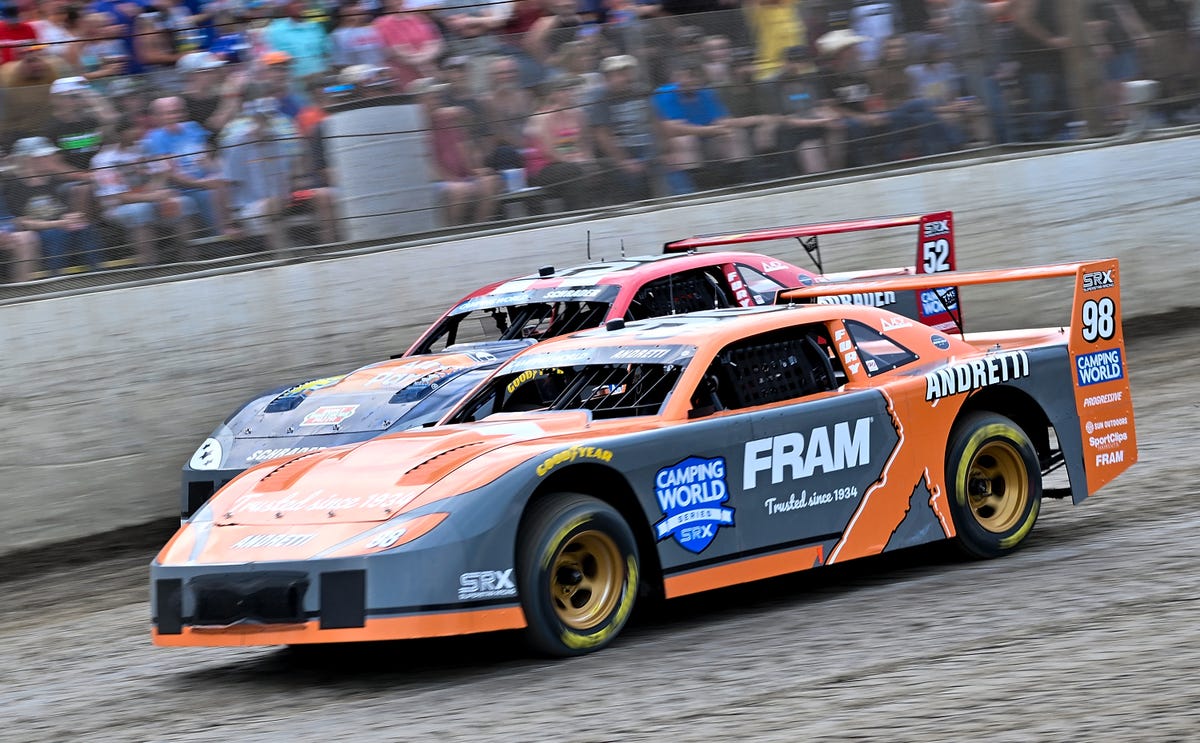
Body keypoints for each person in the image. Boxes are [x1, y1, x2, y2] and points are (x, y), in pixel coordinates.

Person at [92, 116, 199, 265]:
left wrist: (158, 190)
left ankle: (189, 258)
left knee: (183, 202)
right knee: (140, 210)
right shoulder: (104, 159)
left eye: (137, 128)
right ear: (121, 133)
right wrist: (153, 196)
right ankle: (149, 263)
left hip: (150, 197)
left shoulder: (144, 149)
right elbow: (118, 197)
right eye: (132, 129)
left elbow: (160, 175)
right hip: (118, 207)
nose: (137, 132)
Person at [652, 58, 750, 193]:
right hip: (677, 143)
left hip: (707, 138)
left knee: (734, 135)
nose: (686, 81)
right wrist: (709, 130)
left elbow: (722, 119)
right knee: (686, 140)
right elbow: (673, 128)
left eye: (691, 76)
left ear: (699, 78)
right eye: (682, 76)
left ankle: (738, 185)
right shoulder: (665, 94)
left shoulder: (706, 93)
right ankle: (699, 190)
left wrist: (720, 128)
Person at [142, 96, 235, 237]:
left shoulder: (193, 127)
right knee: (209, 194)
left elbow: (206, 157)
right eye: (169, 113)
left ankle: (242, 228)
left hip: (205, 180)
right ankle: (220, 236)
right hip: (180, 187)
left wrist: (219, 174)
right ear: (158, 117)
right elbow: (170, 173)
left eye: (178, 112)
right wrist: (202, 183)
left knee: (230, 181)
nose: (175, 116)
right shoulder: (154, 138)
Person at [7, 136, 101, 274]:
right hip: (40, 231)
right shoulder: (15, 186)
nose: (51, 158)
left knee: (85, 228)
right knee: (55, 234)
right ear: (28, 160)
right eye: (44, 156)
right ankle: (55, 276)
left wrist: (73, 217)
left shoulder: (54, 180)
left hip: (60, 224)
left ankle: (96, 272)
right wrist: (58, 223)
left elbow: (63, 209)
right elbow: (24, 222)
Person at [219, 95, 301, 256]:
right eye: (261, 118)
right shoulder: (237, 143)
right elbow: (227, 184)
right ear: (253, 118)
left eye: (269, 118)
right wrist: (231, 222)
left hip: (281, 204)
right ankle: (283, 255)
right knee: (271, 204)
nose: (266, 122)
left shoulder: (279, 140)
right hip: (248, 208)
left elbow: (286, 177)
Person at [587, 54, 660, 203]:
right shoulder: (600, 99)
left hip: (649, 148)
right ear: (607, 78)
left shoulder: (641, 91)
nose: (627, 77)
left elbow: (656, 121)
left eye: (628, 72)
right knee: (631, 182)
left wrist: (663, 149)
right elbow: (602, 135)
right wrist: (623, 161)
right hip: (624, 151)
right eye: (620, 73)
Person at [524, 75, 595, 210]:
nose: (571, 93)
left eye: (572, 89)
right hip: (545, 168)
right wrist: (576, 163)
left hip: (573, 162)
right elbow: (549, 152)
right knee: (572, 171)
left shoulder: (579, 114)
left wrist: (589, 161)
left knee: (605, 165)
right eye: (565, 90)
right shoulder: (542, 118)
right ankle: (578, 212)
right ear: (554, 94)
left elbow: (585, 143)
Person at [265, 0, 330, 80]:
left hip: (319, 79)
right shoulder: (276, 30)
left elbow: (326, 53)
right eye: (296, 3)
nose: (301, 5)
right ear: (287, 7)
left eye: (303, 2)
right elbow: (274, 63)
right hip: (293, 82)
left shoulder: (316, 26)